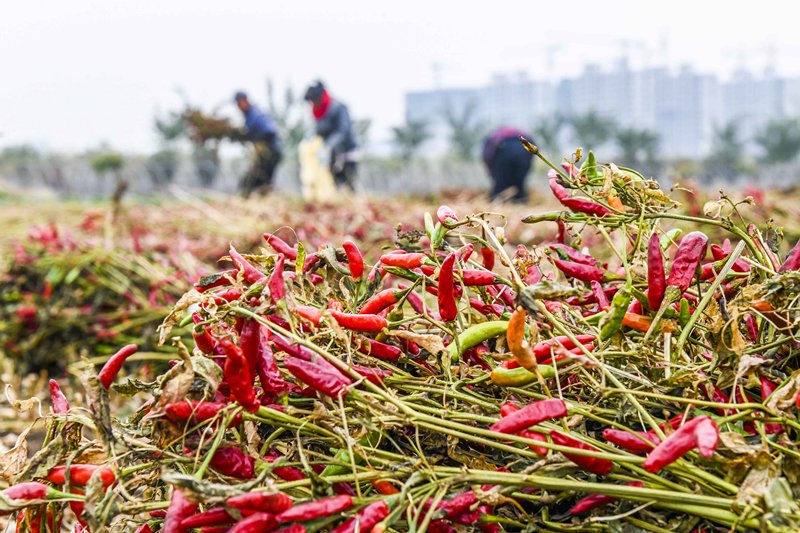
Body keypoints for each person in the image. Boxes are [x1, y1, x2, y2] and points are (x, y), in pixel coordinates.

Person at [303, 81, 358, 191]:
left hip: (347, 152)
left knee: (348, 183)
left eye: (314, 100)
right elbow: (320, 130)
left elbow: (343, 131)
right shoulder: (318, 112)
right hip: (330, 155)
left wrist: (328, 145)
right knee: (334, 184)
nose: (313, 104)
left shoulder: (338, 107)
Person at [233, 91, 282, 197]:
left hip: (271, 152)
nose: (238, 107)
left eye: (239, 103)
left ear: (245, 101)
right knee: (257, 182)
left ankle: (260, 197)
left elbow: (270, 132)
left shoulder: (255, 115)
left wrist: (253, 138)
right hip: (267, 153)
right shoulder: (248, 115)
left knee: (254, 181)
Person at [482, 127, 533, 202]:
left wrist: (492, 173)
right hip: (523, 151)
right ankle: (520, 200)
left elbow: (487, 156)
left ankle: (497, 202)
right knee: (519, 183)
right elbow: (532, 152)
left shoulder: (493, 137)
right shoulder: (523, 134)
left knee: (500, 183)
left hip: (504, 149)